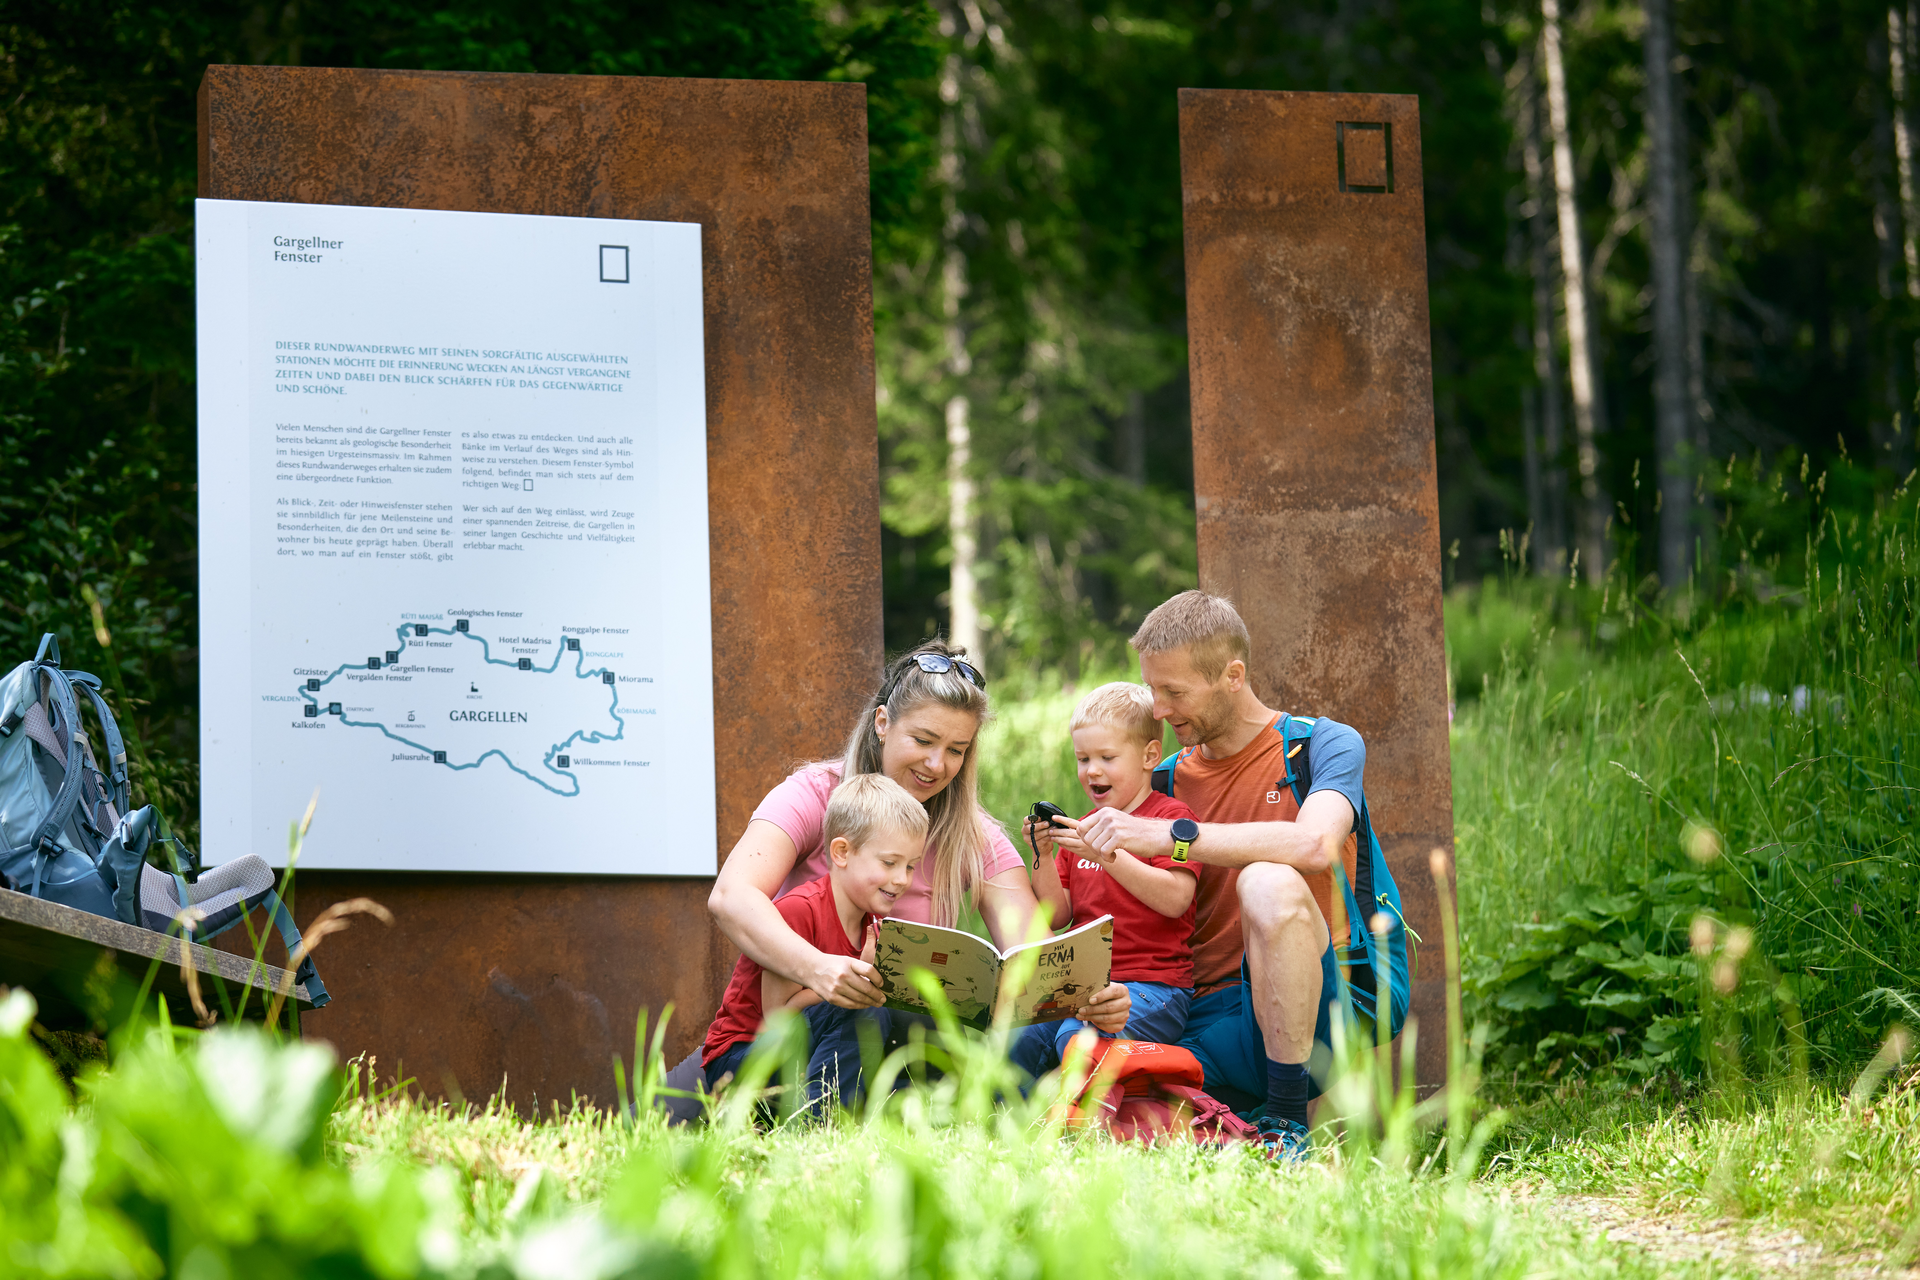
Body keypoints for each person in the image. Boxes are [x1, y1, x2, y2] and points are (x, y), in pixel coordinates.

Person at [707, 641, 1131, 1043]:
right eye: (924, 741)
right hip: (772, 1036)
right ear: (883, 723)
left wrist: (1089, 996)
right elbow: (731, 897)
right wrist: (818, 969)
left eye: (956, 750)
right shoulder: (814, 794)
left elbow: (1030, 951)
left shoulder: (973, 833)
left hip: (905, 1038)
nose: (936, 764)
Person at [1071, 591, 1369, 1162]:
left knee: (1267, 881)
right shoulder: (1160, 780)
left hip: (1310, 1011)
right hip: (1189, 1014)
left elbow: (1315, 844)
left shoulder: (1321, 745)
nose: (1158, 710)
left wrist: (1172, 836)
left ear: (1232, 676)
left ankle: (1287, 1124)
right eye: (1152, 690)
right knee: (1104, 1116)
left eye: (1174, 692)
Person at [700, 774, 928, 1110]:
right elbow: (777, 1019)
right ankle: (818, 1123)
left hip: (803, 1056)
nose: (901, 879)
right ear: (842, 852)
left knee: (915, 1019)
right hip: (742, 1059)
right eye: (889, 863)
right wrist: (857, 980)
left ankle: (915, 1116)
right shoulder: (799, 910)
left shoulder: (874, 927)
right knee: (859, 1008)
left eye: (910, 867)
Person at [1009, 682, 1200, 1080]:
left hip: (1154, 989)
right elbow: (1057, 915)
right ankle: (1010, 1116)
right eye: (1083, 758)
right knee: (1017, 1038)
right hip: (1081, 984)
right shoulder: (1081, 828)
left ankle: (1086, 1113)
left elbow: (1176, 899)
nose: (1092, 770)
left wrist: (1106, 855)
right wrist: (1042, 856)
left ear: (1150, 756)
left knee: (1078, 1036)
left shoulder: (1170, 819)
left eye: (1107, 757)